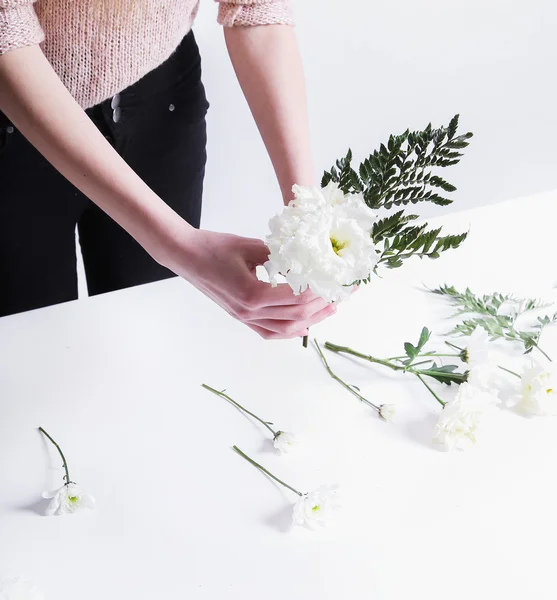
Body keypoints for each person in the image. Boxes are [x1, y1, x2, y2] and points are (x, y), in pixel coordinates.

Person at [0, 0, 336, 339]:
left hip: (162, 101)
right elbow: (5, 27)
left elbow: (256, 8)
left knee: (152, 335)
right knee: (29, 347)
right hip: (13, 112)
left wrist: (306, 211)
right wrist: (181, 246)